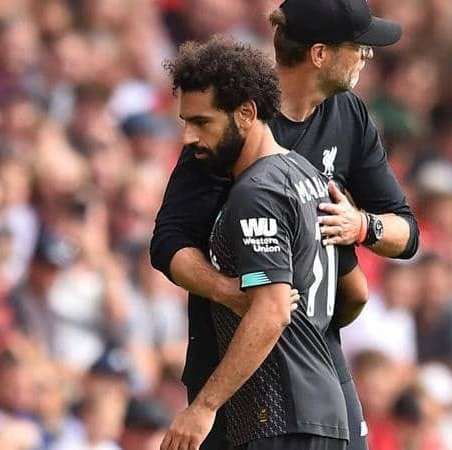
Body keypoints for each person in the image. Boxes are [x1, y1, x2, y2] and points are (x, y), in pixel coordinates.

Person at [150, 1, 419, 449]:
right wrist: (228, 292)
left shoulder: (346, 116)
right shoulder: (225, 121)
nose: (366, 56)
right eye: (358, 46)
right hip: (242, 366)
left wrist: (362, 226)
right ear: (320, 54)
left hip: (302, 370)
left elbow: (406, 233)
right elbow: (168, 241)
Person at [160, 36, 357, 450]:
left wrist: (204, 407)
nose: (188, 137)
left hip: (278, 414)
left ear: (246, 113)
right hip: (324, 413)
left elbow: (271, 311)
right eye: (185, 122)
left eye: (202, 122)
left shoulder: (256, 193)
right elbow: (357, 291)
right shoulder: (308, 176)